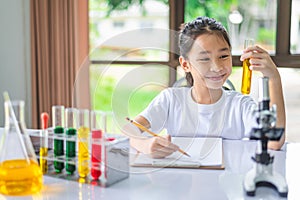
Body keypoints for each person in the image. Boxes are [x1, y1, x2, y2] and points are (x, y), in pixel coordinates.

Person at [125, 16, 286, 159]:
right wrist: (145, 145)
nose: (216, 67)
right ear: (185, 64)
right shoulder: (171, 100)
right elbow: (130, 130)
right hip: (179, 187)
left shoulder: (240, 105)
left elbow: (274, 142)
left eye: (223, 56)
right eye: (204, 59)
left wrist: (273, 77)